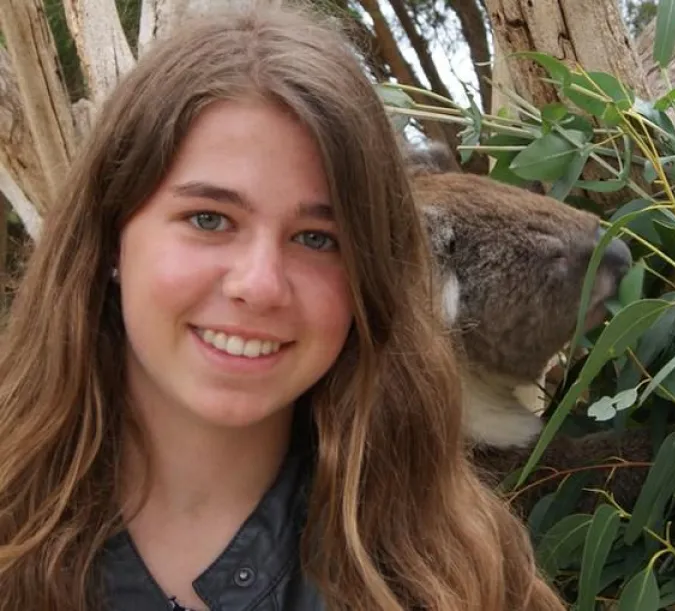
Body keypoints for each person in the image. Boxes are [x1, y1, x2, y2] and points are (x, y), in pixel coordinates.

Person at [0, 6, 565, 610]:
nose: (260, 284)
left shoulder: (460, 574)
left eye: (317, 238)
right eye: (209, 219)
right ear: (111, 236)